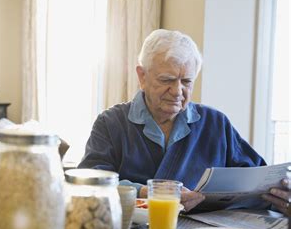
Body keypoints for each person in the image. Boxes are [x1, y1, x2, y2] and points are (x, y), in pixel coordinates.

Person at [78, 29, 289, 213]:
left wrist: (281, 194)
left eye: (187, 81)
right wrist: (148, 192)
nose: (178, 91)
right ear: (142, 76)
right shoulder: (111, 122)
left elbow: (259, 181)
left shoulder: (215, 123)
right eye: (166, 80)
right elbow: (88, 182)